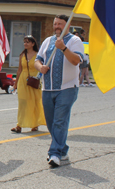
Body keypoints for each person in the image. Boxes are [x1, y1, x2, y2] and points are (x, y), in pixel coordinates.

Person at [35, 14, 84, 167]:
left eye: (60, 24)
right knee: (51, 122)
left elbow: (76, 61)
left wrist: (63, 47)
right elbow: (38, 60)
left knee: (59, 121)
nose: (57, 26)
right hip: (48, 88)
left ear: (67, 25)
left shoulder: (75, 41)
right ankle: (62, 150)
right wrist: (40, 67)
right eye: (55, 23)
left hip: (67, 87)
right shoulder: (47, 41)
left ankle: (54, 153)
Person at [11, 35, 46, 133]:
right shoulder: (22, 55)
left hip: (34, 81)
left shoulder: (38, 55)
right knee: (23, 103)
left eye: (27, 42)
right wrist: (15, 83)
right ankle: (19, 125)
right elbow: (19, 70)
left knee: (35, 102)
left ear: (33, 44)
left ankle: (35, 124)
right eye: (24, 42)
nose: (25, 44)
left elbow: (41, 67)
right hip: (23, 80)